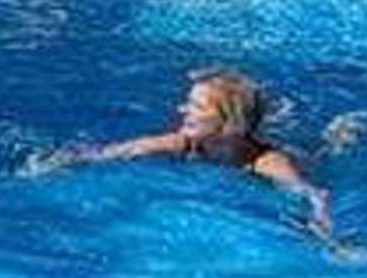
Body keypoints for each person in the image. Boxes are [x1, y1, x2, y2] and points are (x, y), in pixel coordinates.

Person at [28, 69, 347, 252]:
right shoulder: (182, 143)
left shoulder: (267, 163)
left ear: (229, 122)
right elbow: (117, 151)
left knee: (322, 153)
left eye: (196, 107)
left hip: (288, 160)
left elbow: (315, 195)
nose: (183, 111)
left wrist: (330, 240)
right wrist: (59, 163)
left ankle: (341, 133)